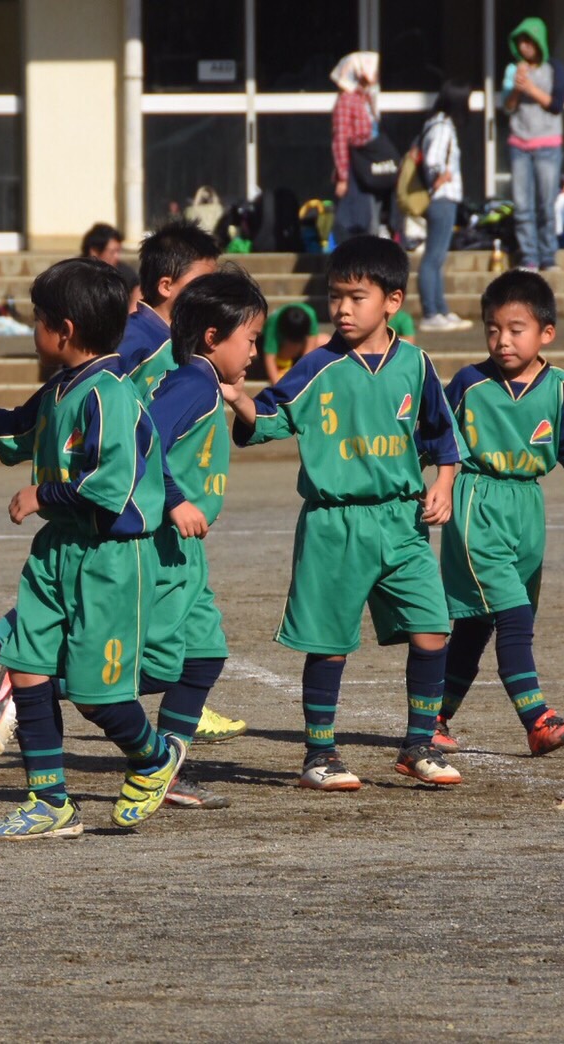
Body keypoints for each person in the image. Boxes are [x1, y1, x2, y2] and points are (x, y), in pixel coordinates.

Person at [0, 218, 248, 769]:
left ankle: (156, 755)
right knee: (119, 660)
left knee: (201, 654)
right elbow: (131, 442)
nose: (212, 298)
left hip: (157, 527)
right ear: (166, 286)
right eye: (204, 284)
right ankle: (9, 665)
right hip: (136, 526)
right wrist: (171, 496)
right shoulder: (126, 349)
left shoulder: (177, 352)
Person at [0, 258, 184, 841]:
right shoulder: (61, 387)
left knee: (96, 696)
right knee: (26, 667)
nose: (33, 330)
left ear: (63, 329)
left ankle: (152, 757)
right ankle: (50, 801)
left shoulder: (110, 396)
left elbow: (111, 486)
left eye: (38, 320)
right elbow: (18, 428)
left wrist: (42, 493)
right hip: (56, 554)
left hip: (108, 560)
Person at [226, 236, 464, 791]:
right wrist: (238, 398)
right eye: (336, 296)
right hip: (335, 524)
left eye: (357, 296)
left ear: (393, 301)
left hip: (403, 522)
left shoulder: (417, 364)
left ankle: (419, 743)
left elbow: (442, 436)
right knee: (329, 642)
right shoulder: (317, 365)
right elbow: (266, 420)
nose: (342, 308)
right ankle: (320, 754)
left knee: (432, 627)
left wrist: (444, 482)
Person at [434, 270, 564, 757]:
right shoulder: (469, 383)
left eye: (515, 329)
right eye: (492, 328)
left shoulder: (560, 388)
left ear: (545, 333)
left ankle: (432, 718)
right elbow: (436, 438)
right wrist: (435, 486)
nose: (502, 339)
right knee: (514, 615)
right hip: (477, 505)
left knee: (476, 623)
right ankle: (537, 719)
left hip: (527, 510)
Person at [133, 268, 268, 809]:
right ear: (214, 337)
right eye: (251, 339)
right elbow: (142, 437)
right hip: (163, 548)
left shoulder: (206, 383)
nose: (256, 351)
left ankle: (166, 769)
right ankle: (35, 687)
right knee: (154, 666)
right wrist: (173, 498)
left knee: (206, 656)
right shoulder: (190, 382)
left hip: (189, 553)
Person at [502, 17, 564, 272]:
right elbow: (507, 107)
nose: (524, 46)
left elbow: (556, 104)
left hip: (547, 144)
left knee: (545, 203)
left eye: (528, 41)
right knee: (522, 204)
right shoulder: (513, 70)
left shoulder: (553, 68)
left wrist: (530, 87)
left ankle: (548, 256)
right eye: (520, 42)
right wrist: (517, 88)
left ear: (539, 42)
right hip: (519, 143)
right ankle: (529, 256)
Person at [413, 80, 476, 333]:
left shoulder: (435, 123)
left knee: (437, 257)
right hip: (442, 196)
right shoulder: (442, 126)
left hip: (441, 197)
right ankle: (431, 312)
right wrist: (442, 176)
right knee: (434, 256)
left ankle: (441, 309)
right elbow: (433, 159)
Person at [330, 50, 384, 244]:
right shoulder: (347, 100)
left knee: (371, 225)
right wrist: (343, 176)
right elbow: (341, 138)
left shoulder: (366, 98)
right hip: (355, 172)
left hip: (368, 170)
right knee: (355, 226)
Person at [80, 221, 142, 310]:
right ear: (94, 251)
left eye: (119, 251)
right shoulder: (74, 272)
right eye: (112, 252)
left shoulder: (125, 274)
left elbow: (137, 291)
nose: (117, 257)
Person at [261, 301, 321, 383]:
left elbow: (310, 345)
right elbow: (269, 358)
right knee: (290, 348)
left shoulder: (310, 314)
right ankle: (283, 367)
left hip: (300, 346)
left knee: (324, 340)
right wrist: (278, 386)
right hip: (279, 350)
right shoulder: (273, 323)